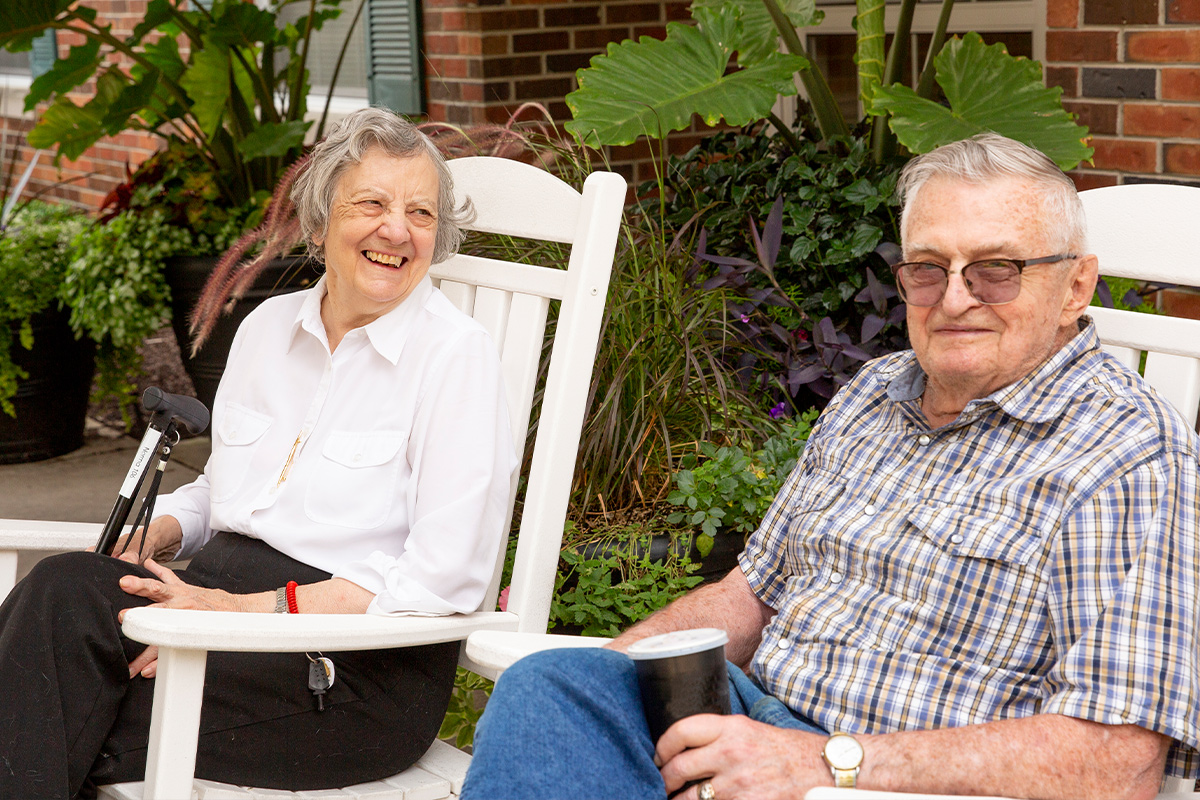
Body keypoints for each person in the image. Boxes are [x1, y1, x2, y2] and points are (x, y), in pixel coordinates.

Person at [460, 133, 1200, 800]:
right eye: (928, 269)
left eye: (996, 270)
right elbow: (753, 594)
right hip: (759, 736)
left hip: (908, 785)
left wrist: (822, 763)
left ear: (1075, 287)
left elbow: (1114, 762)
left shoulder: (1127, 453)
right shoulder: (876, 394)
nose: (955, 299)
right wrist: (619, 677)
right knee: (555, 690)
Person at [0, 106, 517, 798]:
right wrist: (159, 531)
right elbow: (228, 492)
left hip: (349, 669)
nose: (397, 230)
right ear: (317, 221)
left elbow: (440, 582)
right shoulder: (268, 331)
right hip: (209, 612)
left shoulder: (456, 359)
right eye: (372, 203)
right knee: (63, 593)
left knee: (48, 706)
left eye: (421, 214)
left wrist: (233, 618)